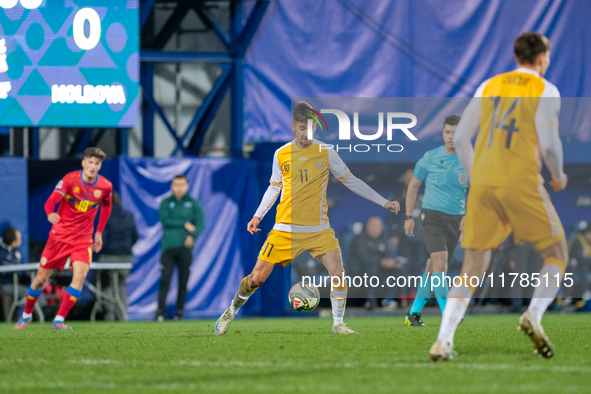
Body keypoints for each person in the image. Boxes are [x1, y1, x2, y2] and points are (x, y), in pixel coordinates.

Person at [430, 31, 568, 361]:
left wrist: (479, 177)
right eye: (547, 57)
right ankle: (533, 315)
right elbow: (549, 145)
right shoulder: (545, 89)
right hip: (520, 179)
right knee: (557, 254)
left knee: (472, 268)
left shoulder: (488, 86)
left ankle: (443, 340)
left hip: (484, 182)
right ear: (541, 59)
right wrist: (559, 176)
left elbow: (462, 138)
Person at [214, 101, 400, 335]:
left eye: (311, 128)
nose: (307, 133)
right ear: (294, 127)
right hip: (285, 228)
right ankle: (231, 311)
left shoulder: (326, 152)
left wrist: (383, 201)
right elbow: (274, 188)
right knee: (256, 278)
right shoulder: (281, 154)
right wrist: (257, 216)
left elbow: (350, 180)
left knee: (338, 273)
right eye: (302, 128)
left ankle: (338, 324)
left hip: (318, 229)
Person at [14, 147, 112, 330]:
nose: (93, 166)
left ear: (100, 166)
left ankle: (59, 320)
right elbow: (50, 201)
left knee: (80, 276)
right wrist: (50, 213)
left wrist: (98, 232)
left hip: (83, 240)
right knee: (41, 279)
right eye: (90, 162)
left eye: (97, 163)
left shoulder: (105, 186)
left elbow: (106, 206)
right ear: (83, 163)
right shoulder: (70, 180)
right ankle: (26, 315)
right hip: (59, 237)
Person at [403, 115, 468, 326]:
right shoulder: (430, 157)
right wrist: (408, 216)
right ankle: (448, 315)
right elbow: (413, 186)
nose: (451, 136)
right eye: (448, 132)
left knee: (432, 268)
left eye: (455, 132)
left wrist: (469, 214)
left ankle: (413, 313)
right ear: (443, 133)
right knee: (440, 263)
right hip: (431, 216)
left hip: (456, 219)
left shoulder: (469, 160)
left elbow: (478, 191)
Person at [156, 174, 204, 321]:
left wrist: (192, 235)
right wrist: (184, 223)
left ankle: (179, 313)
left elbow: (201, 223)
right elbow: (165, 220)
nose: (179, 188)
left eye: (182, 185)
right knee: (165, 280)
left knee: (183, 281)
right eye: (176, 185)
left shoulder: (193, 203)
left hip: (185, 248)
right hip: (169, 247)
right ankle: (160, 313)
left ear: (187, 186)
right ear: (172, 186)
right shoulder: (165, 202)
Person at [97, 191, 139, 321]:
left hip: (108, 257)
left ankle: (109, 314)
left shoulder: (105, 216)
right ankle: (122, 315)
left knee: (107, 284)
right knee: (121, 284)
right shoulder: (129, 215)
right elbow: (135, 236)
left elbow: (102, 239)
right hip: (125, 258)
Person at [0, 228, 28, 321]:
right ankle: (43, 312)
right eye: (19, 238)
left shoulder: (17, 252)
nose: (21, 240)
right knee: (29, 292)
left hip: (17, 284)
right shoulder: (2, 252)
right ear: (13, 241)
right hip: (4, 285)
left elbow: (24, 269)